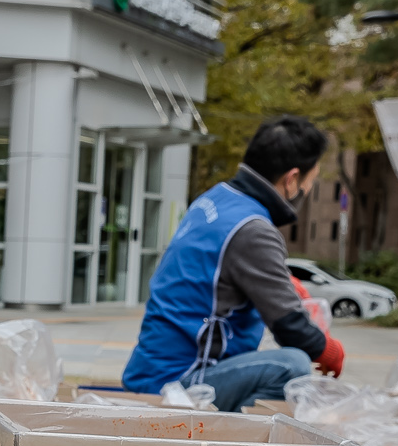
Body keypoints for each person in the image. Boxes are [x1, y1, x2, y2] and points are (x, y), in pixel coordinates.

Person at [120, 116, 345, 407]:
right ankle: (231, 439)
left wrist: (284, 282)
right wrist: (329, 351)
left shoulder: (214, 200)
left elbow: (213, 268)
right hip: (182, 383)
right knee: (293, 365)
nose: (306, 191)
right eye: (309, 183)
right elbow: (291, 327)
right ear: (291, 180)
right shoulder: (253, 228)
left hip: (151, 371)